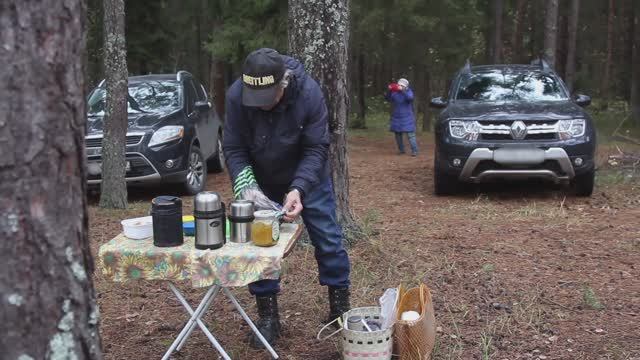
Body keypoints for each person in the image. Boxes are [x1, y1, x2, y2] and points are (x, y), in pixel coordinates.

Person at [223, 48, 351, 348]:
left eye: (269, 98)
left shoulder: (309, 93)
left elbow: (316, 147)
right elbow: (233, 147)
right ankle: (268, 316)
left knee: (328, 238)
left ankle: (340, 308)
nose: (263, 106)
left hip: (308, 176)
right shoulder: (236, 96)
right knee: (259, 246)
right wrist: (247, 185)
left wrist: (299, 188)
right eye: (257, 100)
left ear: (284, 82)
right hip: (261, 177)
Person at [385, 78, 418, 156]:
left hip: (407, 116)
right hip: (397, 117)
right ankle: (401, 150)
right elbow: (388, 98)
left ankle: (415, 151)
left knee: (411, 135)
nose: (400, 86)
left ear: (405, 86)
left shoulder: (408, 91)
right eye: (399, 85)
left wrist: (402, 91)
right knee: (398, 135)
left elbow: (410, 98)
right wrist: (389, 90)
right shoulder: (394, 93)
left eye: (402, 85)